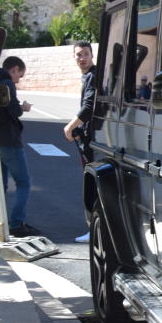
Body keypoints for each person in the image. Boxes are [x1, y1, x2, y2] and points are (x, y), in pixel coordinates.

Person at [0, 56, 38, 237]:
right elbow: (12, 111)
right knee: (24, 182)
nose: (20, 79)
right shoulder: (8, 84)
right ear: (15, 69)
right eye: (21, 74)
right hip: (9, 141)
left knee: (0, 184)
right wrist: (23, 108)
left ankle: (1, 223)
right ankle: (16, 223)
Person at [63, 41, 95, 242]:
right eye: (78, 55)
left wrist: (70, 127)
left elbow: (88, 107)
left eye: (85, 54)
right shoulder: (88, 76)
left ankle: (94, 229)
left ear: (92, 55)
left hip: (92, 143)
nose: (82, 58)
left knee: (92, 187)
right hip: (88, 137)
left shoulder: (92, 76)